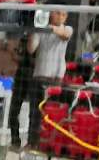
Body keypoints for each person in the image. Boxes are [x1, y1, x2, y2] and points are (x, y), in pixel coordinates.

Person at [25, 10, 73, 150]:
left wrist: (49, 28)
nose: (60, 17)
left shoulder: (68, 29)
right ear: (51, 14)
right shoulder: (41, 29)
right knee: (35, 112)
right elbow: (31, 49)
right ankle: (32, 142)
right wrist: (35, 30)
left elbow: (64, 35)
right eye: (57, 13)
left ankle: (49, 143)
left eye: (63, 14)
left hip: (56, 79)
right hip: (40, 75)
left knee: (53, 113)